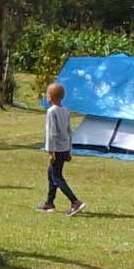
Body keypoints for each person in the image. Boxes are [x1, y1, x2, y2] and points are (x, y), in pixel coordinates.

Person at [40, 79, 85, 213]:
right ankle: (49, 202)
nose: (46, 96)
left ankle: (75, 202)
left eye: (47, 94)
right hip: (64, 147)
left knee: (57, 177)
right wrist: (69, 150)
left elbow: (51, 133)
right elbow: (69, 131)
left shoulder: (51, 112)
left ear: (51, 97)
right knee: (51, 173)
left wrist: (50, 151)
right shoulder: (65, 110)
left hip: (57, 149)